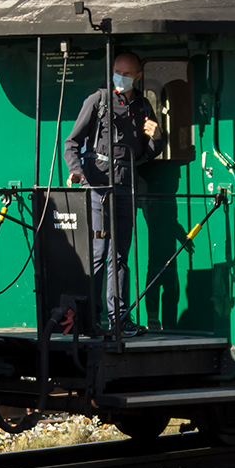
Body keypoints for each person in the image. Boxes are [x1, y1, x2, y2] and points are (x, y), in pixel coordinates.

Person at [64, 52, 165, 336]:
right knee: (98, 252)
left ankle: (119, 319)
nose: (120, 77)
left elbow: (149, 153)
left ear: (138, 76)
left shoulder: (144, 105)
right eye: (117, 71)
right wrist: (77, 172)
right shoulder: (97, 101)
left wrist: (156, 136)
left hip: (126, 187)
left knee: (119, 255)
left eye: (127, 73)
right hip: (97, 188)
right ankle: (88, 318)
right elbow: (71, 142)